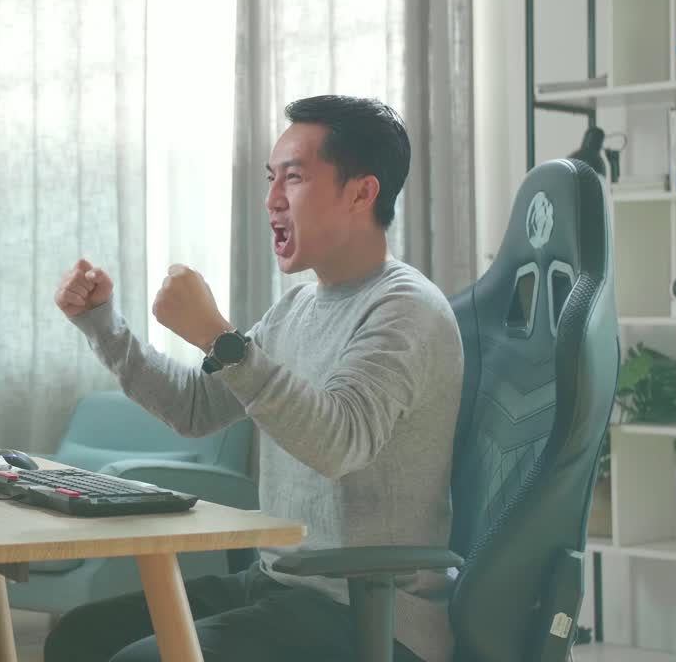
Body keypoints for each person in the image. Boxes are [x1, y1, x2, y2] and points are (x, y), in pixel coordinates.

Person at [47, 95, 464, 662]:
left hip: (370, 613)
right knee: (79, 638)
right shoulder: (296, 310)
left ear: (362, 192)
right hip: (283, 583)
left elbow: (339, 442)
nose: (271, 201)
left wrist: (220, 339)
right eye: (272, 180)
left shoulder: (406, 308)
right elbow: (196, 408)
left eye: (293, 179)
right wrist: (103, 324)